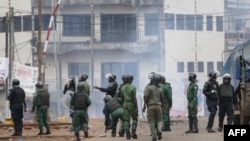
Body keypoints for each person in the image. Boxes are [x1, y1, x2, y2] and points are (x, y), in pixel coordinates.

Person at [143, 73, 165, 141]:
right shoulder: (160, 89)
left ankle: (154, 136)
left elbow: (145, 96)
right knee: (160, 120)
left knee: (151, 121)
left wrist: (144, 105)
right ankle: (160, 130)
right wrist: (163, 107)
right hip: (159, 106)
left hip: (151, 106)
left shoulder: (149, 88)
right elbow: (162, 99)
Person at [120, 74, 138, 139]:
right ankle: (133, 132)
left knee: (126, 120)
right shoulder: (133, 87)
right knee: (135, 118)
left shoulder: (122, 88)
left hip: (124, 104)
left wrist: (122, 105)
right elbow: (134, 98)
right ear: (131, 80)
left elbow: (122, 98)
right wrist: (136, 107)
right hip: (131, 104)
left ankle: (127, 134)